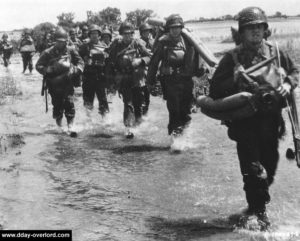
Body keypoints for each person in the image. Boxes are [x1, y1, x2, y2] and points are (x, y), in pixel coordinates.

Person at [208, 7, 299, 230]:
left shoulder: (275, 52)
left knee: (270, 167)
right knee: (254, 169)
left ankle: (254, 205)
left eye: (259, 27)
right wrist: (234, 80)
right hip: (245, 123)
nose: (255, 32)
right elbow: (215, 90)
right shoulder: (232, 58)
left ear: (265, 29)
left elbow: (294, 73)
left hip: (272, 124)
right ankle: (260, 213)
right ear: (242, 32)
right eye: (250, 28)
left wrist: (287, 83)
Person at [147, 14, 199, 137]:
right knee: (174, 110)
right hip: (170, 82)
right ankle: (176, 140)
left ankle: (185, 136)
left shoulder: (188, 41)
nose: (175, 30)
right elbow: (154, 63)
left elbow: (196, 61)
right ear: (168, 29)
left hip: (186, 81)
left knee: (185, 110)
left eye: (178, 27)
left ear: (181, 28)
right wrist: (150, 81)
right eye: (172, 28)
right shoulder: (163, 42)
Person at [36, 28, 84, 133]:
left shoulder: (71, 50)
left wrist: (76, 70)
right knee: (57, 104)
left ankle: (71, 126)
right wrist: (46, 70)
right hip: (54, 83)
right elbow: (38, 65)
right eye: (58, 41)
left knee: (69, 102)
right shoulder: (47, 52)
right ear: (55, 41)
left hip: (67, 81)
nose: (61, 43)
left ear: (66, 41)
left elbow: (80, 62)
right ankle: (59, 126)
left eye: (63, 41)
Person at [108, 21, 151, 138]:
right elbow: (109, 61)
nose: (127, 36)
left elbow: (149, 57)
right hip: (124, 78)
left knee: (138, 104)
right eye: (125, 34)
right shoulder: (116, 45)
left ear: (133, 34)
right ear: (121, 34)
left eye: (129, 34)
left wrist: (140, 60)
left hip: (137, 78)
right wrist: (112, 80)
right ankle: (128, 128)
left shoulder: (138, 43)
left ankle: (138, 125)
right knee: (128, 103)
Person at [79, 24, 110, 117]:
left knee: (103, 100)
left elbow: (108, 61)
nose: (94, 35)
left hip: (100, 76)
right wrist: (85, 60)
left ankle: (104, 119)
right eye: (92, 33)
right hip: (88, 76)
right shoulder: (85, 46)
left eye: (96, 33)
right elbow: (78, 58)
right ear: (89, 35)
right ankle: (89, 120)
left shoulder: (104, 45)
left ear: (99, 34)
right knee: (88, 100)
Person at [139, 23, 155, 115]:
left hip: (150, 70)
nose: (147, 33)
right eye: (145, 31)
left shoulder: (152, 42)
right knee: (141, 95)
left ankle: (145, 114)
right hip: (141, 70)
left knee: (147, 96)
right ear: (141, 33)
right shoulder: (138, 42)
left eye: (148, 31)